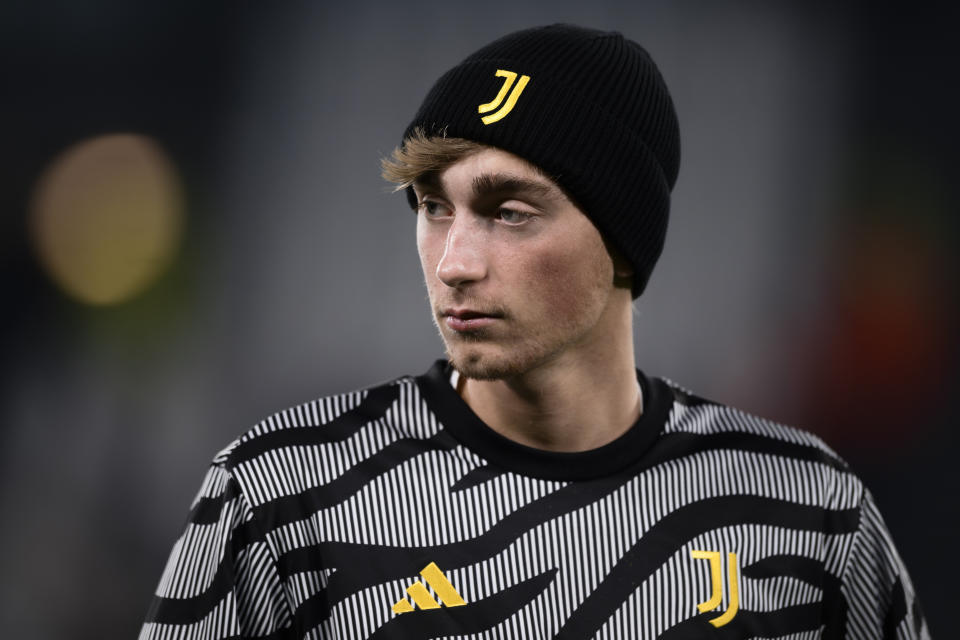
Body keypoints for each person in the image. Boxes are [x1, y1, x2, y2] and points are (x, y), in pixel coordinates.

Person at [140, 24, 928, 639]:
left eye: (510, 212)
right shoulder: (281, 493)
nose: (453, 263)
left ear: (624, 239)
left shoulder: (807, 508)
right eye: (432, 206)